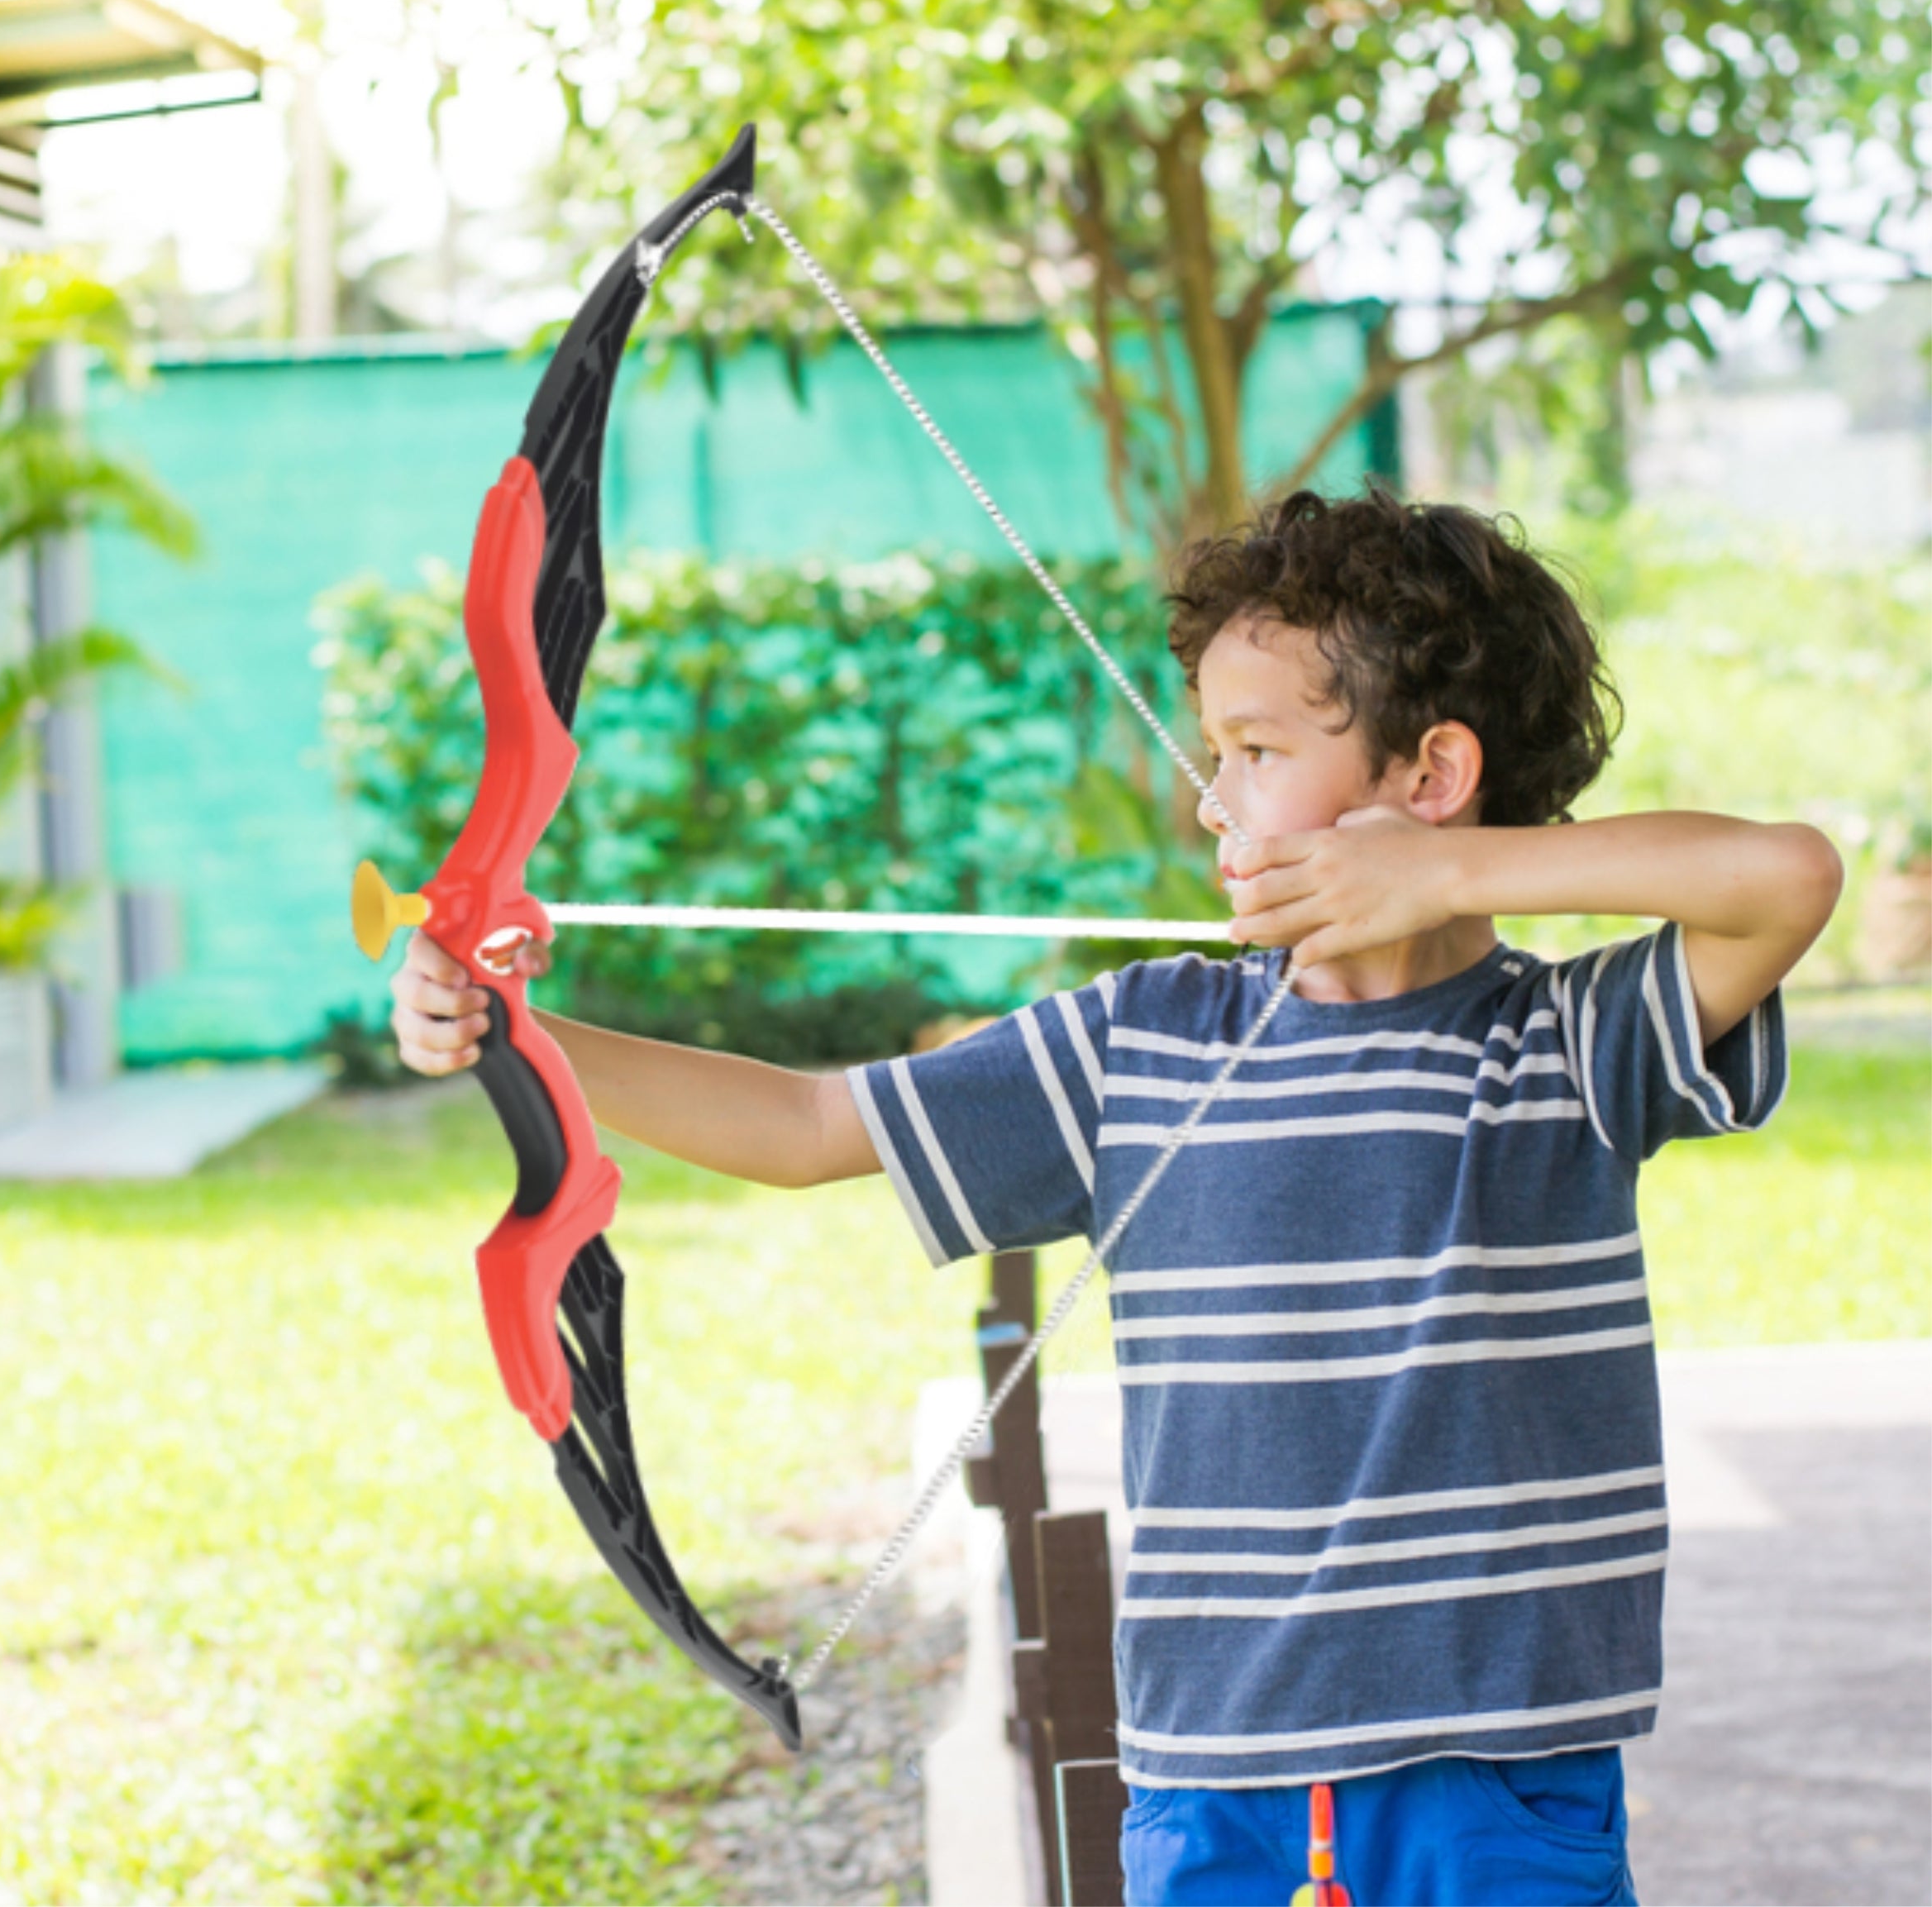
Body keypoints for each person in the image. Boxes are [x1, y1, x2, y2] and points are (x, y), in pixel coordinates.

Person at [389, 485, 1841, 1906]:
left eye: (1258, 747)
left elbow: (1782, 876)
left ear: (1431, 775)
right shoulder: (1143, 1040)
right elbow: (810, 1120)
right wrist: (520, 1033)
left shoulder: (1567, 1045)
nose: (1214, 795)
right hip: (1214, 1777)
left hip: (1496, 1779)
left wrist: (1452, 874)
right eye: (1212, 748)